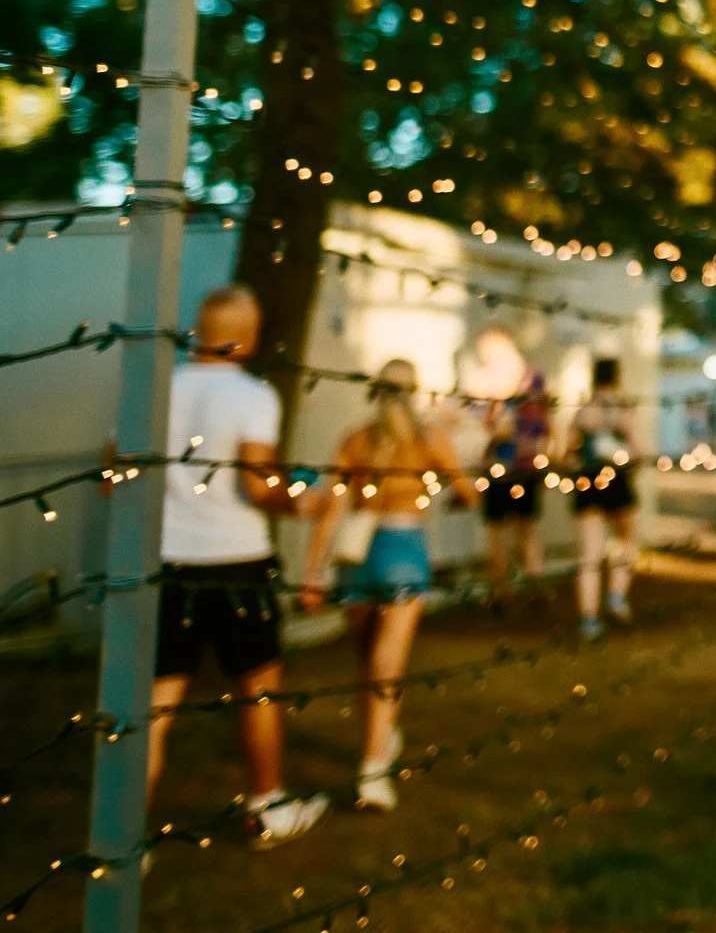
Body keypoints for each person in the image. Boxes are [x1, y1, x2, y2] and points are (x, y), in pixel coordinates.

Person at [149, 284, 329, 847]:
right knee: (259, 690)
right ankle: (266, 808)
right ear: (245, 337)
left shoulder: (154, 388)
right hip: (236, 567)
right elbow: (257, 484)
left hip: (166, 566)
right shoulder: (252, 394)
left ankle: (124, 839)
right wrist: (301, 497)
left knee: (153, 706)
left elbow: (114, 477)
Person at [299, 359, 475, 810]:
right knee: (386, 663)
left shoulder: (355, 438)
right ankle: (374, 769)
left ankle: (376, 753)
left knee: (368, 663)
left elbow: (333, 507)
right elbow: (470, 491)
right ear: (413, 392)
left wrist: (313, 571)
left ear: (375, 392)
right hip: (403, 548)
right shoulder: (428, 437)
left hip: (356, 555)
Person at [566, 357, 642, 639]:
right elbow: (638, 450)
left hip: (587, 483)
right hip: (617, 482)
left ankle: (588, 619)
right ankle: (617, 594)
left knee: (589, 555)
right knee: (626, 540)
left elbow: (567, 451)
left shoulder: (583, 412)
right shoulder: (622, 410)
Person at [473, 327, 550, 591]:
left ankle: (526, 581)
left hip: (520, 464)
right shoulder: (486, 381)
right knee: (504, 528)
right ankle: (505, 585)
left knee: (521, 526)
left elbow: (539, 419)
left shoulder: (529, 378)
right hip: (503, 465)